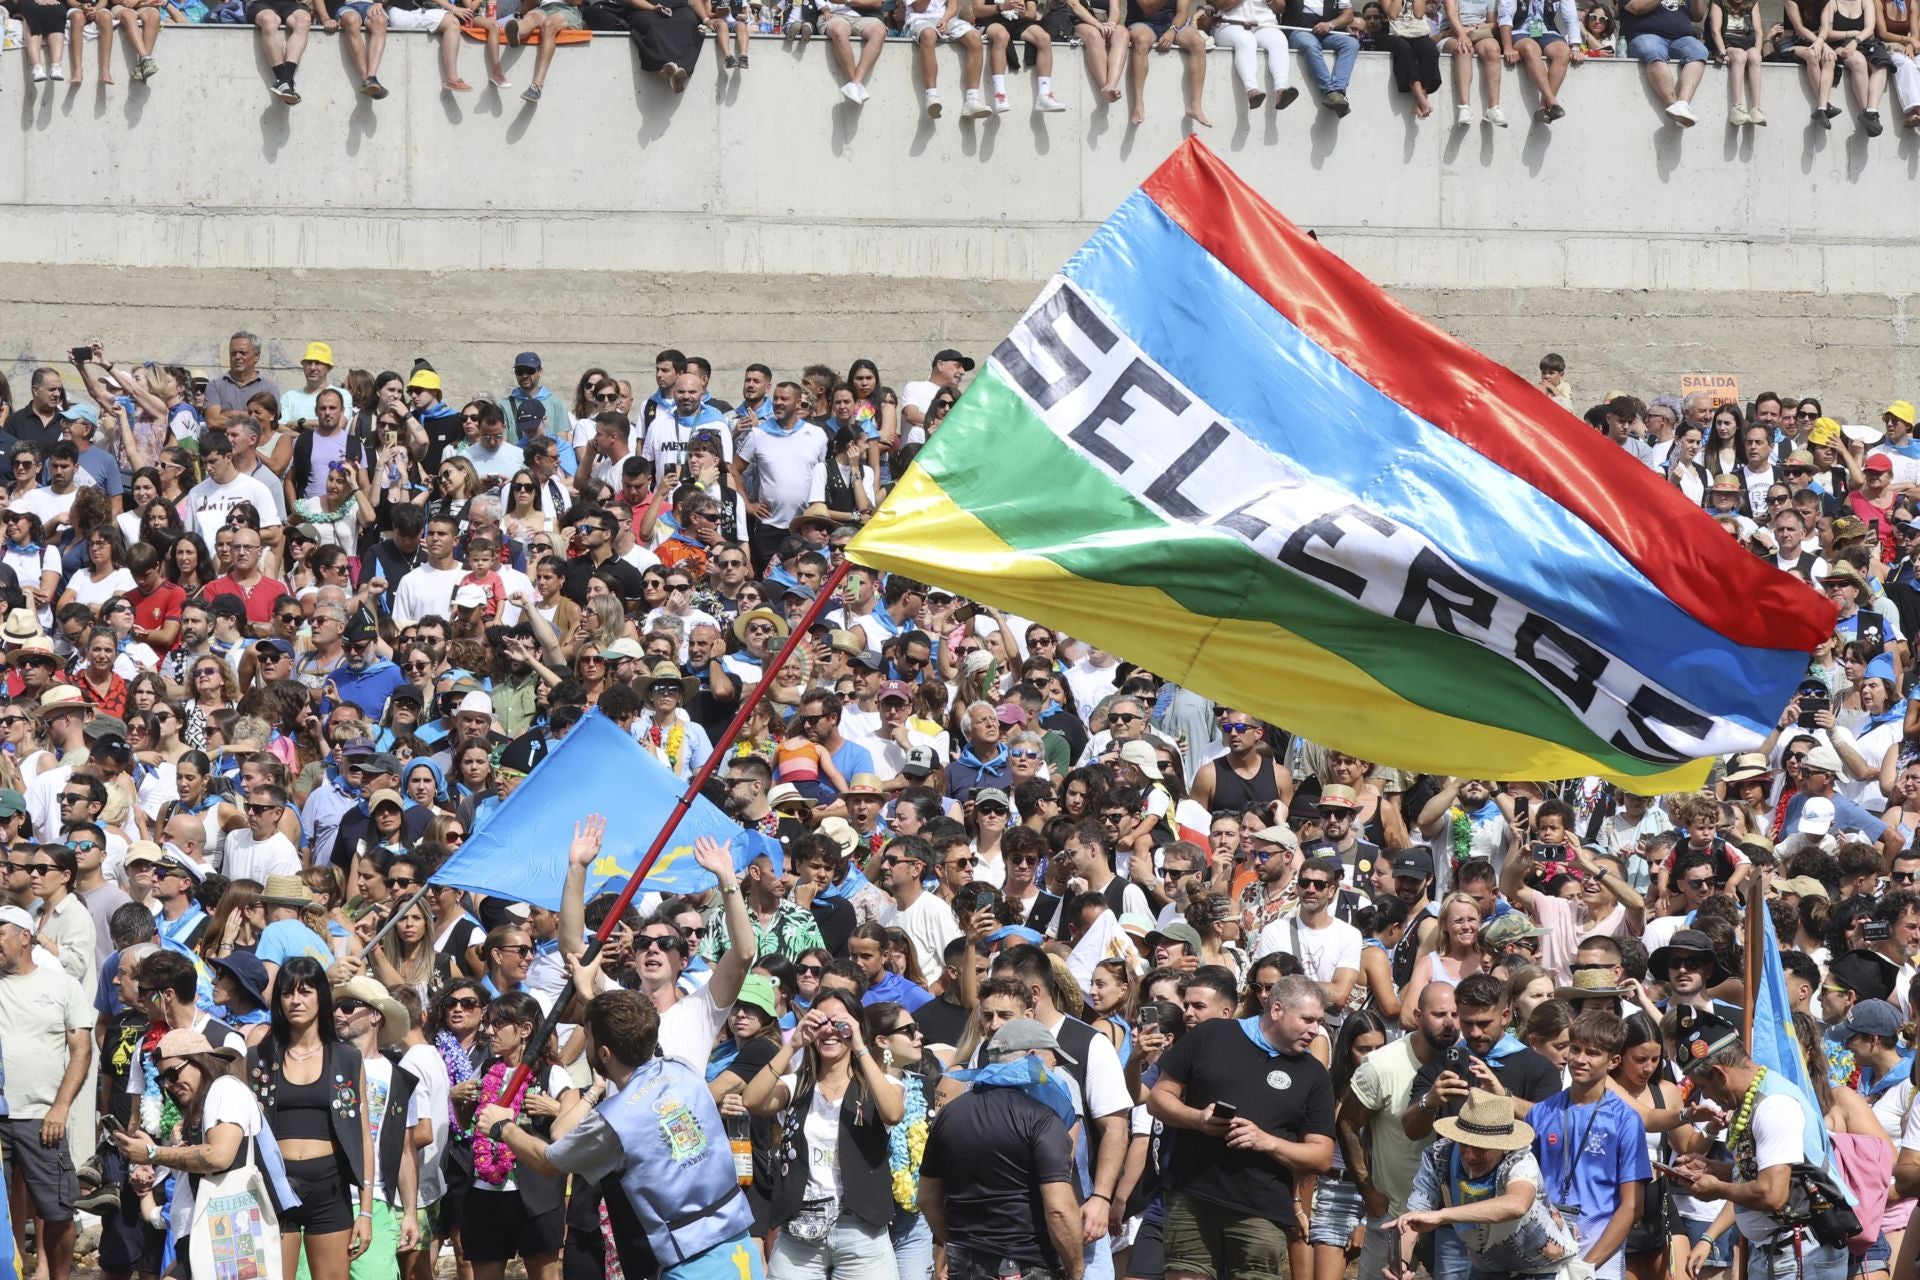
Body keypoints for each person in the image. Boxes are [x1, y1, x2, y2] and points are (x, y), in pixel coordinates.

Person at [475, 988, 765, 1279]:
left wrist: (504, 1127)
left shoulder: (613, 1121)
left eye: (586, 1036)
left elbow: (549, 1162)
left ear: (603, 1053)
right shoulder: (682, 1069)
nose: (583, 1044)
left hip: (691, 1265)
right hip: (740, 1250)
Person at [1147, 974, 1337, 1280]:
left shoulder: (1313, 1074)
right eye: (1307, 1020)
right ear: (1276, 1010)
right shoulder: (1212, 1035)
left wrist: (1267, 1141)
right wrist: (1198, 1119)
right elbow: (1158, 1099)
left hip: (1261, 1207)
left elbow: (1322, 1156)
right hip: (1194, 1194)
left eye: (1318, 1022)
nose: (1315, 1030)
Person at [1668, 1009, 1853, 1280]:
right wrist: (1713, 1168)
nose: (1705, 1096)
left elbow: (1772, 1194)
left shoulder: (1773, 1106)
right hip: (1778, 1252)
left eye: (1703, 1086)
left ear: (1720, 1074)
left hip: (1799, 1256)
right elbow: (1761, 1171)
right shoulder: (1757, 1098)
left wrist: (1718, 1189)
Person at [741, 986, 907, 1278]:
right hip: (800, 1233)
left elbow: (893, 1114)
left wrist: (860, 1047)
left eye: (841, 1023)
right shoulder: (797, 1085)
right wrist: (792, 1045)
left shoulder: (878, 1085)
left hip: (862, 1232)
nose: (830, 1031)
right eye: (821, 1022)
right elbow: (752, 1100)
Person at [921, 1018, 1087, 1280]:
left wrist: (961, 1243)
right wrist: (1076, 1270)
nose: (1053, 1073)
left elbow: (928, 1199)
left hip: (966, 1263)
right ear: (1033, 1057)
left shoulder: (949, 1115)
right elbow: (1059, 1208)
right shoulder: (1042, 1119)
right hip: (1031, 1263)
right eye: (1052, 1063)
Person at [246, 954, 376, 1280]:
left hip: (329, 1191)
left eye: (305, 991)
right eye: (287, 993)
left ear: (322, 995)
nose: (296, 1001)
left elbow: (362, 1137)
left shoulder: (347, 1058)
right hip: (274, 1189)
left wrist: (367, 1211)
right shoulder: (259, 1056)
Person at [1388, 1088, 1582, 1280]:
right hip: (1485, 1270)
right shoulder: (1438, 1157)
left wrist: (1441, 1216)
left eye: (1481, 1147)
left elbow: (1517, 1204)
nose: (1470, 1155)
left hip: (1543, 1270)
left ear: (1504, 1146)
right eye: (1464, 1143)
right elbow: (1413, 1219)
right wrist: (1401, 1263)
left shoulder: (1519, 1158)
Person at [0, 902, 94, 1280]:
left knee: (57, 1211)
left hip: (42, 1117)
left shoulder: (62, 985)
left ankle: (58, 1275)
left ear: (25, 937)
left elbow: (81, 1051)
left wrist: (61, 1107)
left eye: (0, 933)